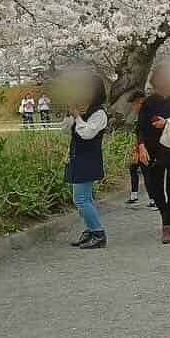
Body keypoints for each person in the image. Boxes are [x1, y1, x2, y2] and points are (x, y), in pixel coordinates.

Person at [134, 67, 170, 244]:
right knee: (154, 188)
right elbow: (141, 126)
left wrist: (167, 123)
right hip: (153, 149)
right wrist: (141, 146)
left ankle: (167, 226)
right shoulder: (149, 102)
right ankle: (164, 212)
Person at [59, 72, 109, 250]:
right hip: (75, 157)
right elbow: (64, 130)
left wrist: (78, 117)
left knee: (80, 198)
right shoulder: (81, 109)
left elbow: (87, 134)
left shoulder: (99, 113)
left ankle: (98, 232)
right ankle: (90, 230)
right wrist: (70, 114)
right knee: (83, 198)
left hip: (88, 158)